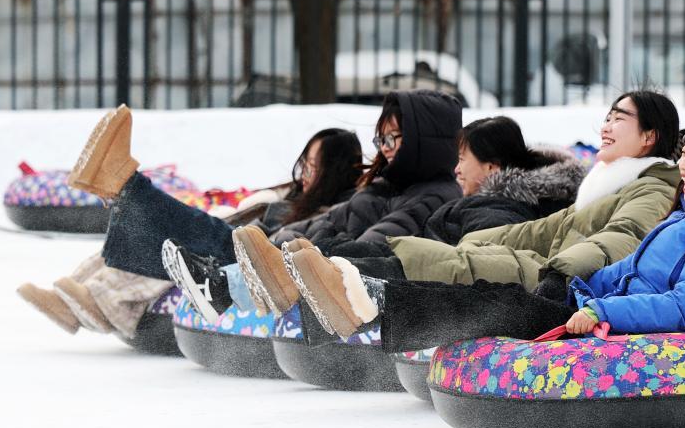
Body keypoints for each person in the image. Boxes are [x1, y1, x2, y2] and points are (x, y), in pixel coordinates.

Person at [279, 105, 685, 368]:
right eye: (684, 154)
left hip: (620, 323)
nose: (684, 166)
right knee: (494, 295)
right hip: (587, 299)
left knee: (495, 307)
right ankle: (350, 292)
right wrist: (588, 287)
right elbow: (628, 267)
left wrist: (601, 311)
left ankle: (367, 304)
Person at [222, 90, 683, 340]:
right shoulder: (606, 186)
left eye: (619, 118)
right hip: (548, 267)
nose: (605, 125)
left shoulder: (652, 187)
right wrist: (485, 241)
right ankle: (304, 277)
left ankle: (333, 284)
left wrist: (560, 270)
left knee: (449, 262)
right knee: (439, 253)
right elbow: (543, 229)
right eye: (607, 115)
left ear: (649, 137)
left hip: (563, 280)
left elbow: (624, 238)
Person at [169, 115, 587, 321]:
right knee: (331, 249)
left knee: (346, 256)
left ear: (492, 168)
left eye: (463, 160)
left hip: (416, 280)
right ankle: (231, 282)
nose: (456, 169)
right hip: (412, 263)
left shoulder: (497, 210)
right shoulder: (473, 201)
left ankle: (226, 286)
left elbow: (471, 261)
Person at [17, 126, 363, 337]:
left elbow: (293, 247)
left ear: (334, 173)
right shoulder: (290, 197)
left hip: (254, 260)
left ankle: (123, 182)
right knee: (152, 233)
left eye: (314, 168)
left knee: (177, 231)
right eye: (304, 164)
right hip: (240, 242)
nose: (304, 174)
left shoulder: (333, 210)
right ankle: (71, 300)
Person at [163, 89, 463, 322]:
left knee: (305, 257)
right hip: (323, 267)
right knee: (281, 243)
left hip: (349, 286)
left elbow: (375, 246)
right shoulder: (383, 187)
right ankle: (216, 277)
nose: (384, 149)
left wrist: (310, 250)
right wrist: (280, 241)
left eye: (392, 139)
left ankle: (220, 287)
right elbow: (328, 221)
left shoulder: (435, 196)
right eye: (380, 140)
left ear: (422, 141)